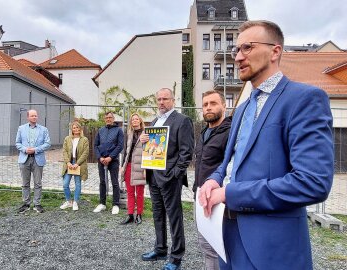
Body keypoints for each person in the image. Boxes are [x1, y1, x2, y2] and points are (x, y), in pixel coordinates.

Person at [199, 20, 333, 270]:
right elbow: (232, 162)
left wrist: (230, 194)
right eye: (236, 50)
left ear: (275, 51)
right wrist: (214, 180)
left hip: (271, 248)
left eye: (247, 47)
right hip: (226, 239)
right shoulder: (240, 110)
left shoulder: (304, 100)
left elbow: (312, 182)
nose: (238, 57)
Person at [140, 88, 194, 270]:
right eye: (159, 99)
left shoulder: (182, 121)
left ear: (173, 100)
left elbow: (186, 153)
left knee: (174, 216)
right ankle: (160, 248)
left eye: (165, 99)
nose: (161, 102)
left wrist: (174, 175)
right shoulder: (156, 121)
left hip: (170, 178)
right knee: (157, 214)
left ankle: (176, 257)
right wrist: (143, 139)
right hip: (153, 176)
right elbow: (153, 147)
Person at [193, 90, 231, 270]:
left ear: (224, 106)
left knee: (218, 247)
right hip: (200, 195)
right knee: (205, 245)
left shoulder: (230, 133)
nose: (208, 107)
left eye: (213, 103)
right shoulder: (203, 133)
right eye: (205, 104)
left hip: (219, 199)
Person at [16, 109, 51, 214]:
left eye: (35, 116)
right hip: (24, 158)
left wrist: (35, 149)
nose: (34, 117)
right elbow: (17, 143)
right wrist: (25, 149)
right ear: (28, 117)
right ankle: (26, 204)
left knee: (38, 183)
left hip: (38, 159)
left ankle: (37, 204)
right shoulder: (21, 128)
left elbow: (47, 144)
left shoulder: (44, 130)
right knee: (25, 183)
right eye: (32, 116)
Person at [93, 111, 124, 215]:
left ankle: (115, 204)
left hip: (113, 160)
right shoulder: (100, 131)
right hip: (101, 160)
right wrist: (100, 157)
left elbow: (120, 146)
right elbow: (95, 145)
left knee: (115, 182)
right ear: (104, 119)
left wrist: (110, 157)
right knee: (102, 182)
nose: (108, 119)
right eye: (106, 118)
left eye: (110, 117)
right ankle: (102, 203)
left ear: (113, 119)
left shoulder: (118, 130)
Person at [119, 113, 146, 225]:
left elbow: (149, 151)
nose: (134, 121)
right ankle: (130, 214)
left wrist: (146, 168)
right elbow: (125, 151)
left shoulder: (146, 134)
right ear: (131, 122)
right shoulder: (128, 134)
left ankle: (139, 214)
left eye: (136, 119)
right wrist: (122, 166)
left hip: (140, 166)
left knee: (139, 192)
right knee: (130, 192)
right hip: (129, 165)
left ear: (140, 121)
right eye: (132, 119)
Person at [60, 121, 89, 211]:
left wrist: (77, 163)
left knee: (77, 183)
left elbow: (85, 153)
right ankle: (69, 201)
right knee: (65, 184)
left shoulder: (84, 139)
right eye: (74, 128)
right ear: (71, 129)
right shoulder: (67, 139)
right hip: (69, 163)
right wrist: (68, 162)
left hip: (78, 163)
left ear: (80, 129)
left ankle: (75, 202)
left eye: (77, 127)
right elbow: (64, 151)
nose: (76, 129)